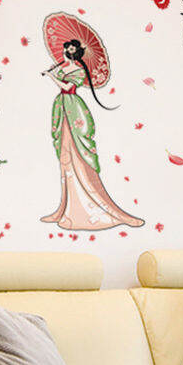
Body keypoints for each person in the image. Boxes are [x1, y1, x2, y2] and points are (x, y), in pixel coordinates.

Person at [41, 39, 144, 230]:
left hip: (73, 109)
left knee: (77, 152)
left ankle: (86, 207)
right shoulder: (63, 67)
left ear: (76, 52)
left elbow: (67, 88)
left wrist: (51, 76)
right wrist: (54, 72)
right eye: (66, 48)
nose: (66, 51)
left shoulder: (79, 71)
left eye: (70, 49)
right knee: (65, 157)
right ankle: (65, 207)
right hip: (62, 108)